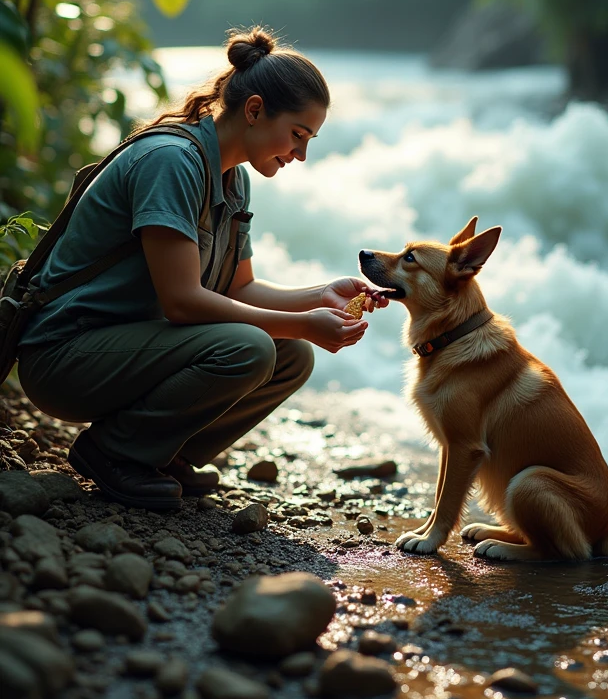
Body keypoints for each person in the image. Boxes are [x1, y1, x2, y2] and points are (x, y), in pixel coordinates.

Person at [17, 28, 388, 511]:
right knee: (253, 346)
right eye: (298, 135)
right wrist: (303, 323)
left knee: (292, 353)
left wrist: (320, 297)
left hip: (126, 345)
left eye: (309, 140)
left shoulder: (233, 179)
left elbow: (243, 288)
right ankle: (114, 452)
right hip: (65, 356)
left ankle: (160, 452)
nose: (301, 154)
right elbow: (183, 301)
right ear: (254, 110)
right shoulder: (171, 162)